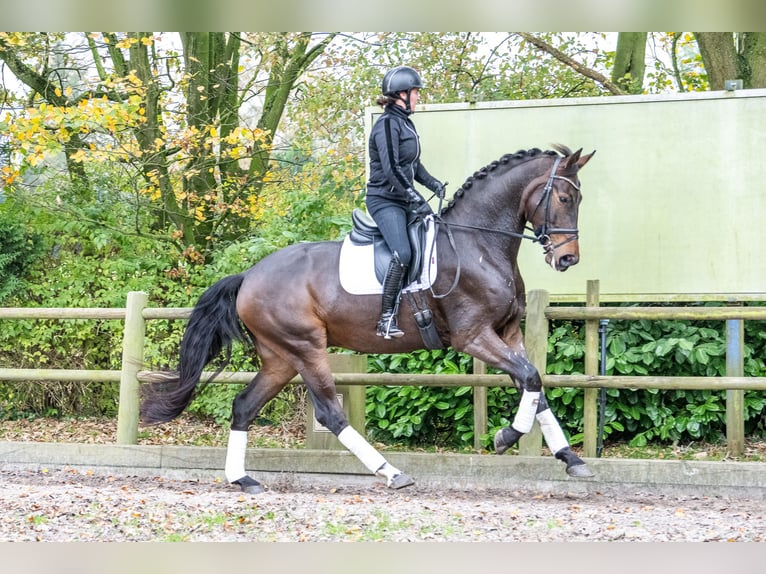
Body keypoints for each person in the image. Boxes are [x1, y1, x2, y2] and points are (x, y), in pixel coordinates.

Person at [365, 65, 445, 339]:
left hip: (403, 198)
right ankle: (385, 318)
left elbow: (413, 165)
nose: (418, 97)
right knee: (403, 252)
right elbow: (392, 170)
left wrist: (432, 183)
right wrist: (416, 198)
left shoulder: (405, 123)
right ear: (401, 94)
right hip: (385, 200)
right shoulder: (386, 123)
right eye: (415, 92)